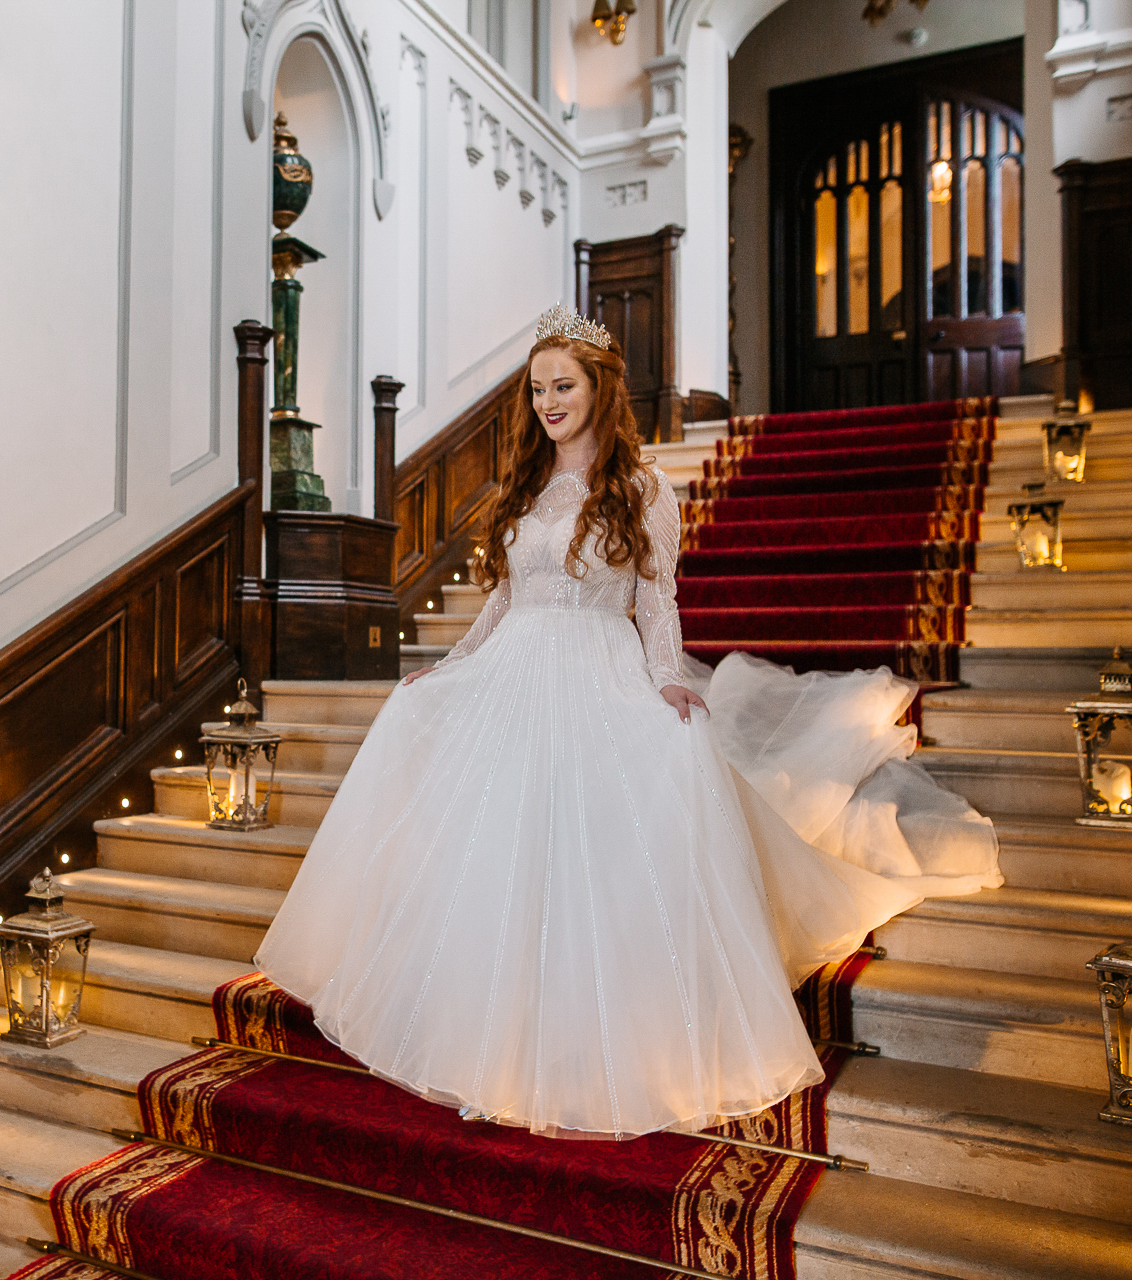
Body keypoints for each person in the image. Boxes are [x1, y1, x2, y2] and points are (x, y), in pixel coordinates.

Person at [255, 305, 991, 1140]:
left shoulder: (643, 489)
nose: (546, 402)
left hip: (597, 666)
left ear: (601, 390)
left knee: (589, 849)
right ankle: (487, 1032)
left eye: (562, 386)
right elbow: (504, 593)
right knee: (496, 844)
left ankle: (586, 1039)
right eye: (536, 389)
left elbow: (655, 598)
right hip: (511, 671)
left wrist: (668, 681)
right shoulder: (527, 483)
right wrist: (453, 664)